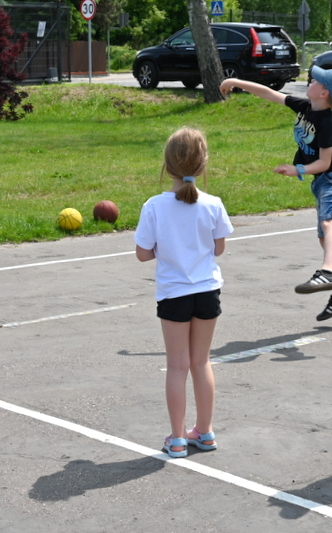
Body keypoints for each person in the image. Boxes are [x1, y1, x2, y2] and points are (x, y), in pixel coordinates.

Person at [220, 66, 332, 321]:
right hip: (321, 182)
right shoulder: (305, 107)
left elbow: (326, 162)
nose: (311, 80)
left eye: (316, 80)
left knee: (329, 224)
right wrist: (238, 80)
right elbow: (270, 94)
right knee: (326, 240)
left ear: (324, 92)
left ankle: (326, 272)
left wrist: (298, 169)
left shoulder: (327, 122)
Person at [135, 128, 234, 458]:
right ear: (203, 165)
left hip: (174, 294)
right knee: (201, 361)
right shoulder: (213, 204)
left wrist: (167, 249)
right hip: (207, 291)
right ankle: (204, 432)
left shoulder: (154, 206)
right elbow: (218, 248)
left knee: (177, 366)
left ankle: (177, 438)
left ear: (166, 166)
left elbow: (143, 253)